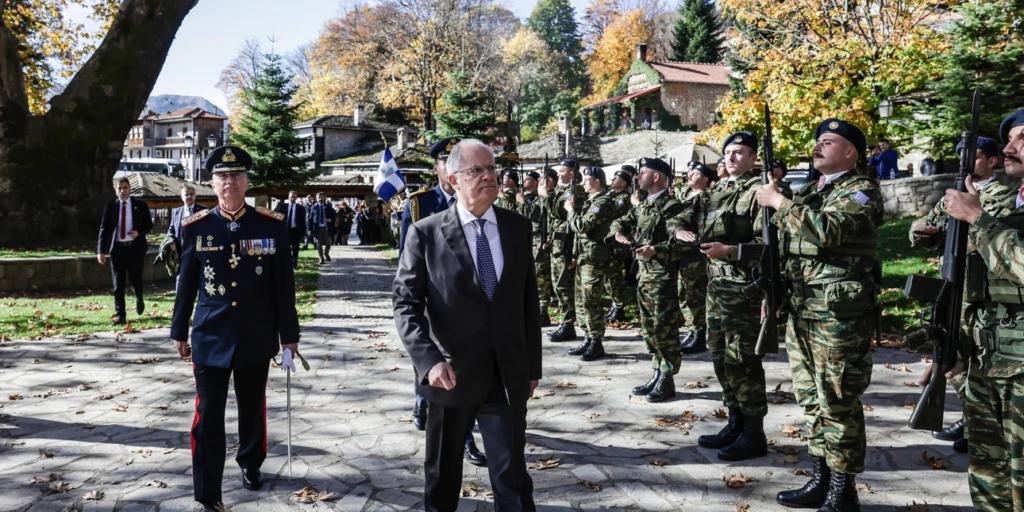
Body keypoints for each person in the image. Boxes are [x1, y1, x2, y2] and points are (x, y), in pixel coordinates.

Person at [393, 138, 540, 512]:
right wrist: (429, 362)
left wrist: (532, 368)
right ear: (454, 179)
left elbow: (528, 303)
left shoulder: (517, 227)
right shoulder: (425, 233)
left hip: (505, 375)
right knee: (442, 478)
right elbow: (406, 305)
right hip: (450, 375)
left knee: (512, 476)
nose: (488, 176)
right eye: (477, 170)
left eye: (491, 168)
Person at [756, 119, 881, 510]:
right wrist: (775, 291)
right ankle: (821, 478)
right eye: (817, 140)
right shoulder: (811, 191)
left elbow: (827, 232)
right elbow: (787, 246)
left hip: (838, 316)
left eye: (828, 141)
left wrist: (778, 202)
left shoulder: (861, 191)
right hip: (802, 310)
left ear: (850, 152)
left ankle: (843, 491)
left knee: (837, 402)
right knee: (811, 400)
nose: (818, 146)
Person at [170, 146, 300, 512]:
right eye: (222, 176)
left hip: (255, 333)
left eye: (236, 175)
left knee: (251, 406)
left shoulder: (270, 225)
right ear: (212, 184)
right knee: (208, 414)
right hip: (210, 334)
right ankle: (207, 490)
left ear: (246, 182)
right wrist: (179, 330)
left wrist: (289, 337)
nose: (229, 181)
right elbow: (186, 284)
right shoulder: (196, 227)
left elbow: (283, 286)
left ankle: (250, 463)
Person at [939, 108, 1024, 512]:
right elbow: (976, 285)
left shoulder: (988, 212)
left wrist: (975, 216)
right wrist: (954, 341)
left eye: (1022, 139)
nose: (1009, 147)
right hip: (988, 360)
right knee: (990, 484)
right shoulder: (1007, 206)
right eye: (1010, 138)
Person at [911, 136, 1012, 454]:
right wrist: (923, 233)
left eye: (974, 156)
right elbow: (923, 224)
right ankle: (971, 414)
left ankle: (977, 420)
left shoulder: (1006, 196)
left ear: (993, 161)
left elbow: (999, 239)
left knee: (977, 358)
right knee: (950, 352)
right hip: (954, 285)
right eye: (961, 156)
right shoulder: (952, 196)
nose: (965, 162)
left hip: (984, 290)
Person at [678, 132, 768, 462]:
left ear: (753, 158)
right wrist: (679, 229)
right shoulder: (716, 191)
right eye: (728, 152)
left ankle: (754, 433)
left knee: (742, 361)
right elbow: (679, 213)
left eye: (739, 152)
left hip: (744, 290)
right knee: (720, 358)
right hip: (716, 288)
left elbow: (770, 246)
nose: (731, 157)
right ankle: (735, 423)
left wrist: (730, 250)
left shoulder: (761, 192)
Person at [400, 137, 487, 467]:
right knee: (429, 358)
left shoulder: (479, 200)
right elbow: (406, 259)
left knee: (462, 369)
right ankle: (423, 398)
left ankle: (465, 435)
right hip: (431, 298)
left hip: (469, 303)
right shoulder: (420, 204)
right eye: (444, 161)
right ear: (439, 169)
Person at [611, 158, 685, 402]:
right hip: (644, 274)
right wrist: (618, 232)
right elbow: (623, 220)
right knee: (649, 328)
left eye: (642, 172)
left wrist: (656, 250)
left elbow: (681, 243)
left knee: (664, 328)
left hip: (663, 276)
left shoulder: (671, 206)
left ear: (656, 177)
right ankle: (657, 370)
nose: (637, 176)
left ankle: (667, 377)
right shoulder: (645, 204)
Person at [565, 167, 617, 361]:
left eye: (587, 180)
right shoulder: (590, 201)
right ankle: (588, 336)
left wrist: (571, 211)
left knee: (590, 300)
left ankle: (596, 341)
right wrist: (574, 254)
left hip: (595, 258)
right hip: (584, 256)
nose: (583, 183)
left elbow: (581, 227)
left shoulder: (602, 203)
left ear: (597, 182)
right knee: (580, 300)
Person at [675, 161, 719, 355]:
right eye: (690, 172)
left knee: (695, 295)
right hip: (683, 252)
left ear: (706, 179)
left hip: (696, 253)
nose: (690, 174)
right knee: (684, 293)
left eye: (696, 173)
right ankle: (692, 329)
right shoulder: (686, 195)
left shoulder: (706, 198)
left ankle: (699, 334)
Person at [97, 178, 154, 325]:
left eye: (125, 188)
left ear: (129, 189)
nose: (122, 191)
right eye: (119, 188)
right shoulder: (111, 206)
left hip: (135, 248)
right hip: (117, 249)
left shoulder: (140, 205)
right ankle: (120, 315)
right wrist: (100, 251)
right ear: (115, 190)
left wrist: (139, 232)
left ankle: (139, 297)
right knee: (118, 283)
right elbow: (104, 228)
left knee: (135, 278)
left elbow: (149, 224)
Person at [547, 159, 586, 342]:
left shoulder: (574, 190)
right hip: (558, 245)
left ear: (572, 173)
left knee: (564, 285)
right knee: (559, 285)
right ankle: (565, 322)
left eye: (562, 170)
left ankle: (568, 324)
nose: (559, 173)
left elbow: (556, 212)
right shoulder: (564, 190)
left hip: (567, 245)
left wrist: (547, 194)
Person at [517, 168, 555, 327]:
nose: (539, 182)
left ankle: (543, 313)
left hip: (541, 241)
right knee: (536, 276)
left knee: (541, 277)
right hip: (534, 240)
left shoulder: (549, 197)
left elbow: (531, 215)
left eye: (542, 179)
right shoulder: (541, 197)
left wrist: (521, 202)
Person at [603, 169, 634, 323]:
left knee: (614, 276)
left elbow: (614, 215)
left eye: (616, 178)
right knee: (608, 277)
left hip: (617, 243)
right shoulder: (610, 195)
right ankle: (615, 306)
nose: (612, 180)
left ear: (623, 183)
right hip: (609, 241)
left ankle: (619, 307)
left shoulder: (624, 198)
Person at [168, 185, 206, 256]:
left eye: (191, 194)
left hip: (198, 251)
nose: (189, 196)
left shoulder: (203, 211)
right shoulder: (176, 212)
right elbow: (171, 230)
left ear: (195, 196)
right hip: (181, 250)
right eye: (186, 194)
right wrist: (170, 241)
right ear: (182, 197)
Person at [274, 191, 307, 270]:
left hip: (296, 231)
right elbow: (277, 217)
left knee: (295, 249)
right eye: (291, 197)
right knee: (285, 249)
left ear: (296, 198)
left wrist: (304, 233)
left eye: (294, 197)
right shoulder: (283, 206)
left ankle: (294, 264)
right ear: (288, 197)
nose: (292, 198)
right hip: (285, 231)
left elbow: (303, 221)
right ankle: (286, 264)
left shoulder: (300, 208)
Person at [307, 192, 334, 264]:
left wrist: (331, 219)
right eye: (319, 197)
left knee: (328, 243)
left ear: (324, 198)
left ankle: (326, 253)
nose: (320, 199)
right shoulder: (314, 207)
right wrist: (309, 229)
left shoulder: (328, 206)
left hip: (326, 227)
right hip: (317, 228)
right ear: (316, 198)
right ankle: (321, 258)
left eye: (321, 197)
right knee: (319, 244)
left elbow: (334, 215)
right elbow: (310, 219)